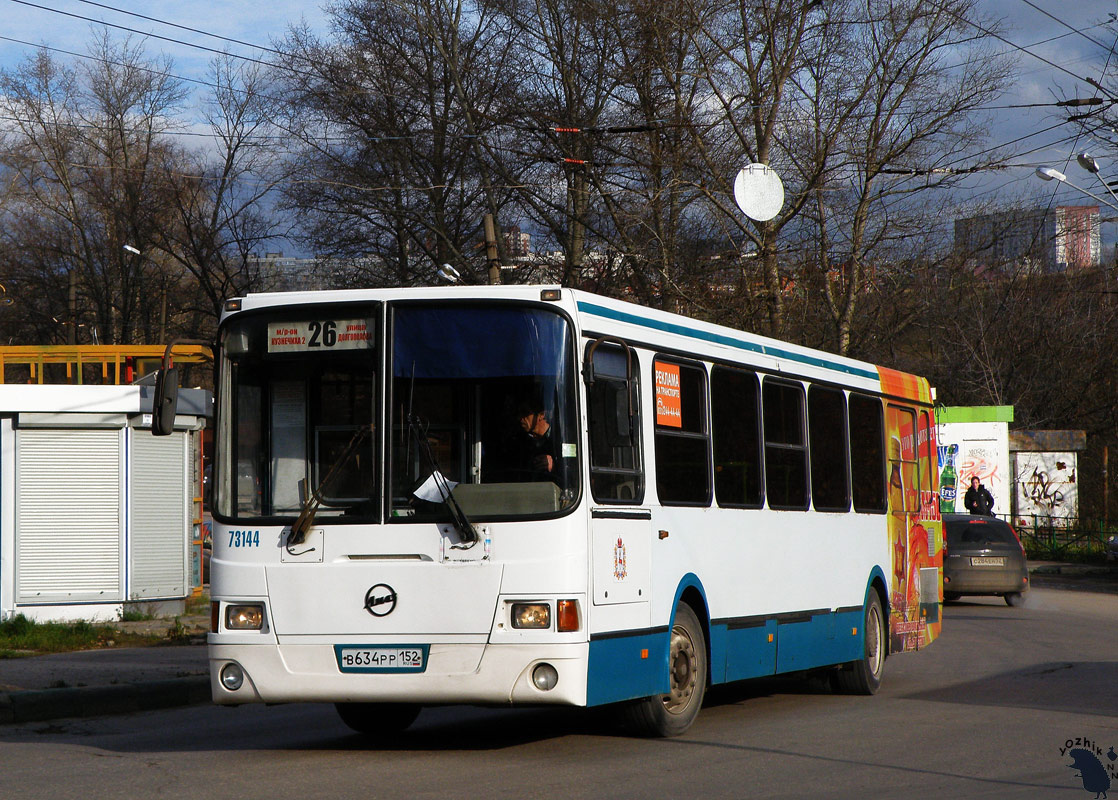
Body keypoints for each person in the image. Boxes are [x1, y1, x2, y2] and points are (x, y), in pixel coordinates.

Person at [506, 398, 560, 483]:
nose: (520, 418)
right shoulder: (521, 443)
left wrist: (554, 466)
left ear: (541, 415)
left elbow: (574, 471)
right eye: (519, 414)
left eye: (525, 413)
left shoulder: (560, 439)